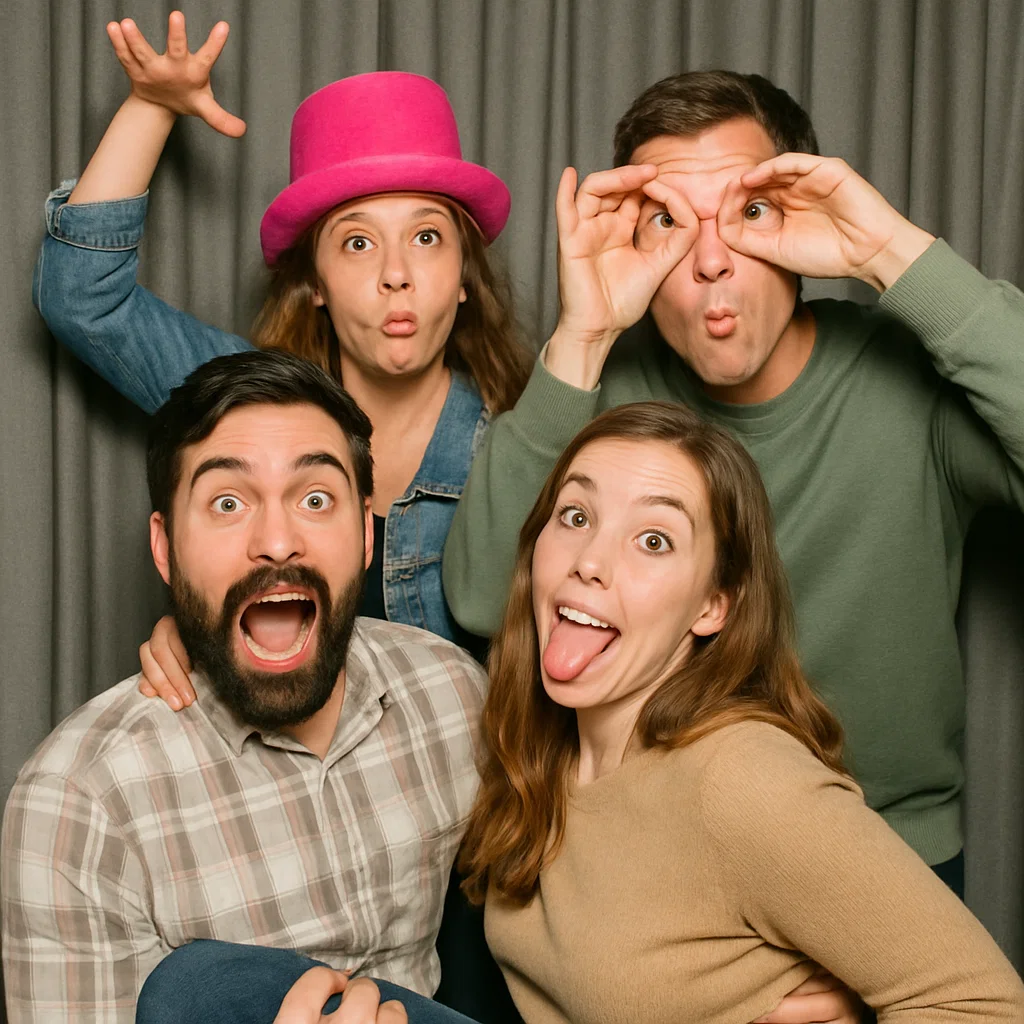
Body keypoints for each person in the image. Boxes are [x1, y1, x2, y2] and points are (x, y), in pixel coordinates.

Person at [441, 70, 1024, 892]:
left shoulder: (908, 378)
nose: (711, 260)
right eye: (672, 224)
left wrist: (889, 252)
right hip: (658, 855)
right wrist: (583, 335)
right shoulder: (604, 385)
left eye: (749, 213)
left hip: (885, 855)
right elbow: (479, 597)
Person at [277, 401, 1024, 1022]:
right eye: (575, 515)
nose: (590, 561)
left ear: (712, 605)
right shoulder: (535, 745)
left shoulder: (743, 780)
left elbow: (983, 1004)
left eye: (654, 540)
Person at [33, 12, 529, 671]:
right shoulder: (247, 402)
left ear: (465, 274)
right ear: (315, 282)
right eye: (358, 242)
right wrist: (151, 108)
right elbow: (81, 297)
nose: (396, 274)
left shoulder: (525, 448)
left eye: (426, 236)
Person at [0, 350, 485, 1024]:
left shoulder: (453, 696)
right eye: (227, 503)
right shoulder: (82, 804)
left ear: (365, 534)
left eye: (316, 499)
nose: (278, 542)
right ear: (166, 549)